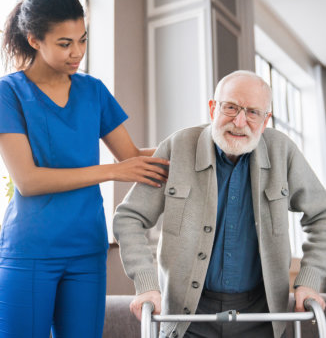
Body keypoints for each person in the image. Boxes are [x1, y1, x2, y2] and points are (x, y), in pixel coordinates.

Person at [0, 0, 169, 337]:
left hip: (86, 250)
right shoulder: (9, 93)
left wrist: (201, 146)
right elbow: (28, 181)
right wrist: (112, 172)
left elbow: (132, 157)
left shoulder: (93, 91)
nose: (77, 52)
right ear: (34, 39)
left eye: (82, 40)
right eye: (64, 43)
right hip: (30, 250)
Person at [113, 70, 326, 338]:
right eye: (231, 108)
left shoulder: (283, 151)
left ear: (265, 120)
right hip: (188, 317)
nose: (239, 121)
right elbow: (129, 216)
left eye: (252, 112)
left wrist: (310, 278)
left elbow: (322, 215)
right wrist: (145, 282)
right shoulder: (178, 146)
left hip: (263, 316)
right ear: (213, 108)